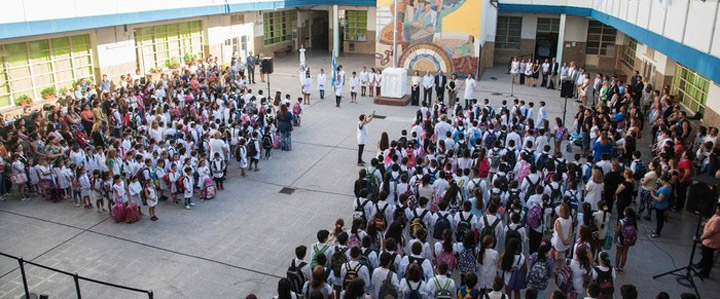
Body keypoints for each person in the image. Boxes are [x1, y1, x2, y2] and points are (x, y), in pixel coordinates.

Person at [695, 202, 720, 278]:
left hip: (711, 242)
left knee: (708, 256)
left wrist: (702, 237)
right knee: (705, 254)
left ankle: (705, 272)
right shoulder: (716, 216)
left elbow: (711, 232)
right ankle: (701, 264)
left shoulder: (718, 219)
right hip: (709, 241)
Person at [614, 207, 637, 272]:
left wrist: (615, 238)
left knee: (618, 253)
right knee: (625, 253)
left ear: (625, 213)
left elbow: (617, 231)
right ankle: (621, 267)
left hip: (620, 239)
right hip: (628, 240)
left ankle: (616, 266)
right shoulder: (633, 222)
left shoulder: (621, 221)